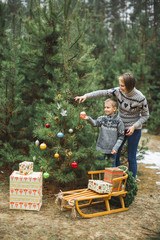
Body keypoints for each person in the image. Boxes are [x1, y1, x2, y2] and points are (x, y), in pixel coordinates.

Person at [75, 72, 149, 178]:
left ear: (130, 86)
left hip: (134, 130)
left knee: (131, 157)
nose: (120, 87)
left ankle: (131, 183)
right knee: (116, 154)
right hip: (119, 127)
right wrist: (86, 95)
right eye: (120, 84)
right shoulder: (118, 92)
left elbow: (145, 115)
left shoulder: (140, 98)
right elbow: (102, 92)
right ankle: (117, 180)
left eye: (122, 85)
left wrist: (134, 126)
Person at [80, 98, 125, 165]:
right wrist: (88, 118)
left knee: (111, 168)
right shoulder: (102, 118)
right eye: (105, 107)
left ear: (114, 109)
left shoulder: (119, 121)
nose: (105, 109)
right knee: (99, 166)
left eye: (108, 107)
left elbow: (121, 137)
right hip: (101, 148)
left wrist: (115, 148)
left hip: (112, 150)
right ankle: (101, 176)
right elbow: (95, 123)